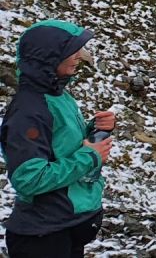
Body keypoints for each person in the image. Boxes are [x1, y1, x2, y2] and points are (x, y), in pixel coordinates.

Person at [2, 21, 115, 258]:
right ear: (49, 58)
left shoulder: (58, 96)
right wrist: (89, 157)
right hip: (42, 236)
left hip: (65, 225)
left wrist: (94, 129)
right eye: (70, 51)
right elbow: (29, 178)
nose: (79, 56)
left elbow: (58, 144)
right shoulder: (28, 111)